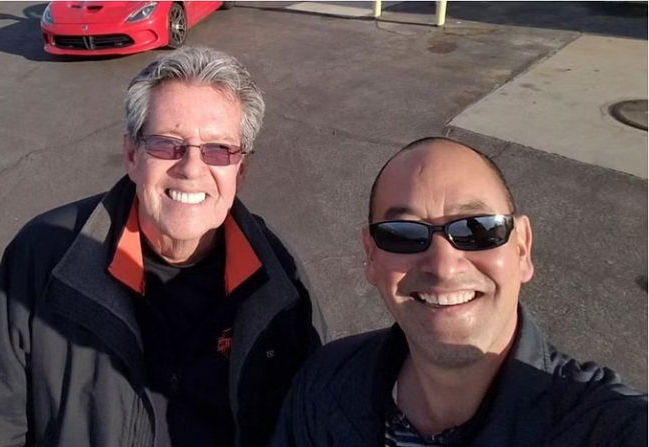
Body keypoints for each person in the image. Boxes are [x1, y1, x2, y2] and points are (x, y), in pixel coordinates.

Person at [0, 46, 326, 447]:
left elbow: (313, 422)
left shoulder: (280, 282)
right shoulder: (43, 259)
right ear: (132, 155)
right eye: (167, 144)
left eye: (219, 149)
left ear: (241, 170)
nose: (191, 169)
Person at [271, 137, 647, 447]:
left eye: (477, 229)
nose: (443, 266)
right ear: (371, 256)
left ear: (521, 249)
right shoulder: (323, 387)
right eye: (403, 234)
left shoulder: (606, 424)